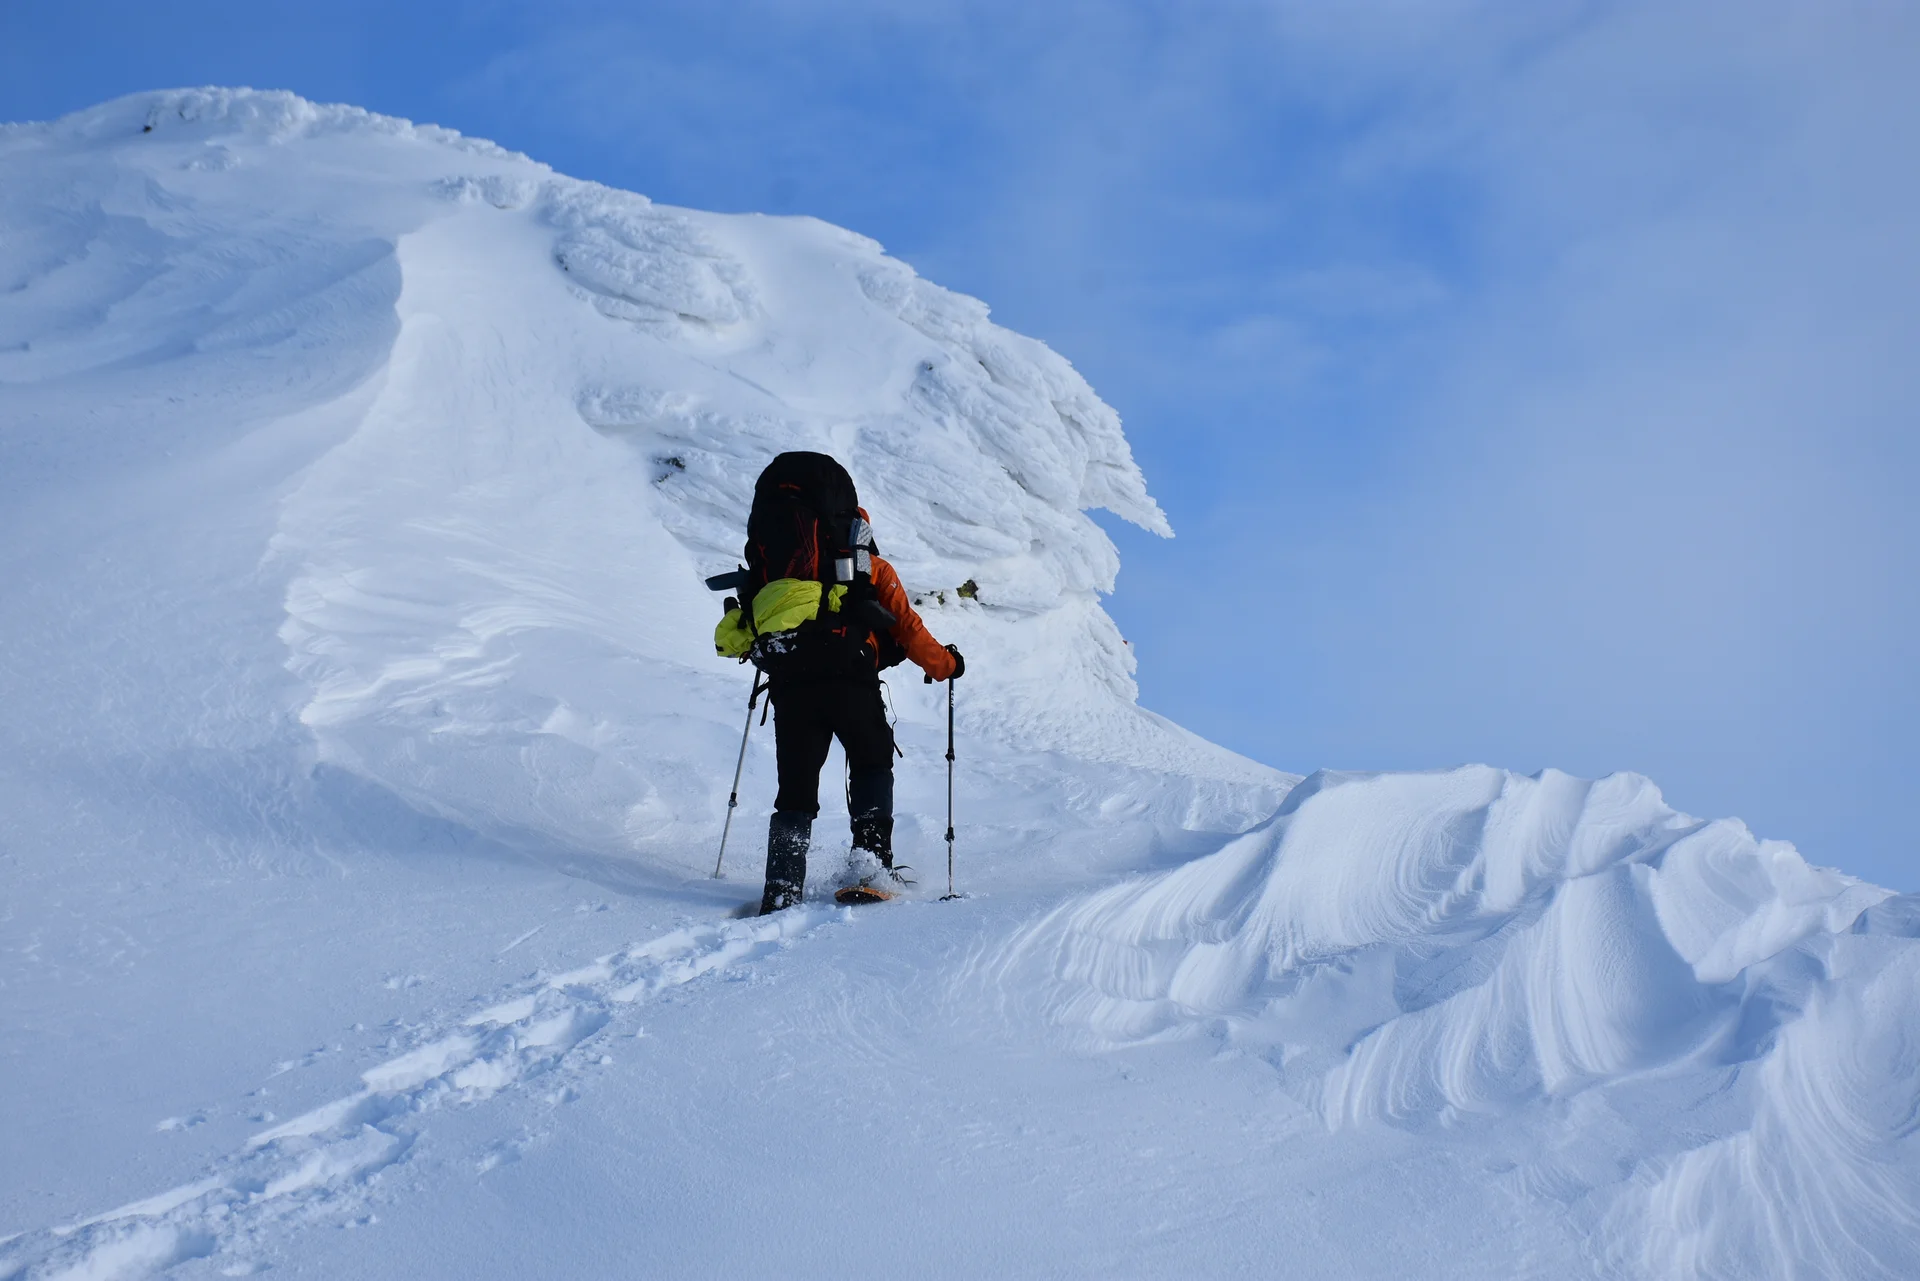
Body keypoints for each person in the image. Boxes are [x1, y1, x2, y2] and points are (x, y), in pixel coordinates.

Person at [712, 453, 963, 914]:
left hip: (790, 681)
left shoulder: (777, 570)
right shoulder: (868, 568)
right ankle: (868, 866)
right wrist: (947, 665)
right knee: (870, 762)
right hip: (849, 673)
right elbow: (906, 628)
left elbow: (748, 629)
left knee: (795, 790)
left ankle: (783, 888)